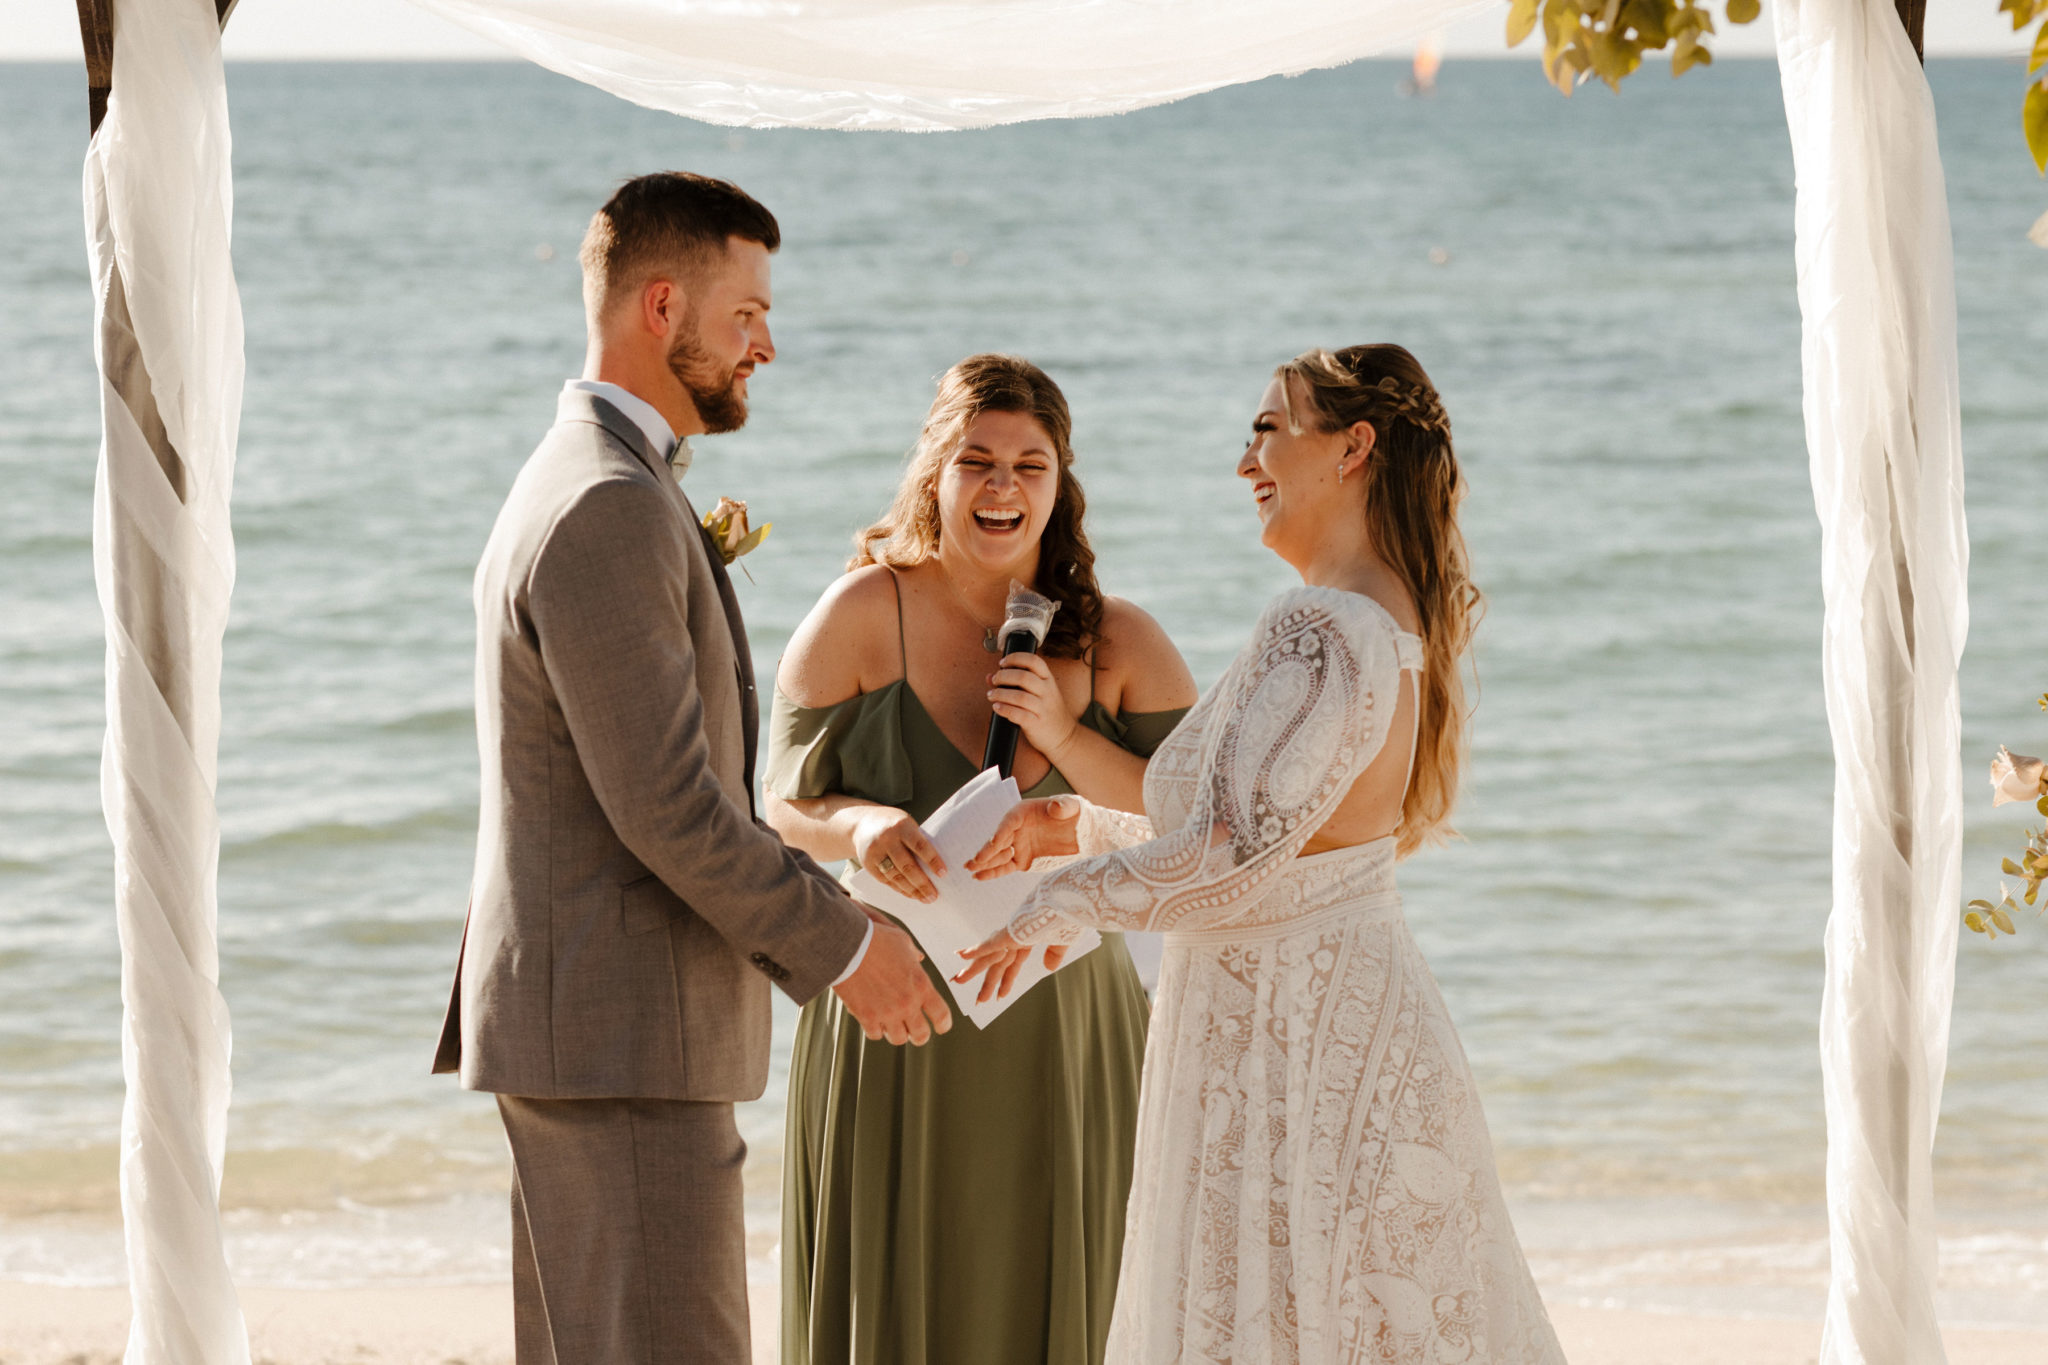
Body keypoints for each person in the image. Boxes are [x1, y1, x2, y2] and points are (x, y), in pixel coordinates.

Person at [960, 347, 1568, 1364]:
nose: (1244, 461)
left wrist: (1059, 901)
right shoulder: (1386, 622)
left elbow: (1230, 857)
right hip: (1323, 1024)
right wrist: (1082, 825)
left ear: (1351, 449)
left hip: (1295, 1043)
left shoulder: (1321, 626)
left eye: (1266, 429)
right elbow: (1274, 842)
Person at [432, 172, 950, 1365]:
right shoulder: (608, 502)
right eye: (746, 312)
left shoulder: (599, 476)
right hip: (620, 1038)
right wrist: (847, 945)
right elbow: (665, 805)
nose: (766, 343)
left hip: (599, 1026)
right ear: (661, 308)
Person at [764, 354, 1199, 1365]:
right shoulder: (861, 613)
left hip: (1068, 1023)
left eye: (1029, 465)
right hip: (895, 1007)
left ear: (1060, 485)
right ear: (934, 473)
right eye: (977, 461)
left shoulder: (1119, 642)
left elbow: (1202, 822)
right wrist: (862, 825)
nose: (1002, 487)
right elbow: (780, 807)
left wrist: (1072, 737)